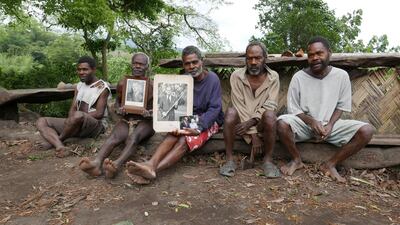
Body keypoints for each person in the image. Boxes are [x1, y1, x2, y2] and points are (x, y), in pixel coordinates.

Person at [277, 36, 374, 183]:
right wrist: (311, 122)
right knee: (282, 123)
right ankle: (296, 160)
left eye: (319, 53)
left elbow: (341, 106)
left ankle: (330, 164)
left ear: (329, 53)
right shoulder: (299, 77)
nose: (315, 58)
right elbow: (294, 109)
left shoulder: (341, 76)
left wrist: (330, 125)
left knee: (367, 131)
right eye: (310, 55)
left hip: (330, 127)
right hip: (304, 125)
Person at [126, 45, 224, 184]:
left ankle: (153, 170)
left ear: (201, 61)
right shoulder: (182, 79)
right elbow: (173, 104)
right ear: (183, 65)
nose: (191, 66)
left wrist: (200, 126)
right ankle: (150, 165)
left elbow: (215, 109)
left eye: (194, 62)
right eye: (187, 64)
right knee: (174, 133)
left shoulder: (212, 79)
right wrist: (167, 119)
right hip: (189, 118)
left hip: (208, 119)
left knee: (184, 140)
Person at [79, 52, 154, 178]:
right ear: (131, 65)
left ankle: (116, 164)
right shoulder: (123, 83)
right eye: (135, 63)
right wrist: (119, 109)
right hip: (127, 118)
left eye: (141, 64)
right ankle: (96, 164)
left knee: (134, 138)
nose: (137, 66)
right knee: (113, 137)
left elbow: (159, 109)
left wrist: (150, 113)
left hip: (146, 122)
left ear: (147, 67)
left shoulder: (153, 86)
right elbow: (118, 102)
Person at [219, 42, 281, 178]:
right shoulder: (236, 76)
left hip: (258, 123)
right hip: (241, 121)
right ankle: (229, 160)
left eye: (258, 58)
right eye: (249, 58)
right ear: (245, 59)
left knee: (270, 115)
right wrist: (252, 135)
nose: (253, 62)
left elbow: (270, 105)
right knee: (230, 112)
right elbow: (238, 105)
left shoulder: (273, 77)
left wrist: (252, 125)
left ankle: (268, 161)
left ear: (265, 58)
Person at [36, 56, 110, 157]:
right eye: (79, 69)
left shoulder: (102, 87)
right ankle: (60, 146)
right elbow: (73, 108)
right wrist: (71, 121)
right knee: (42, 121)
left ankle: (58, 140)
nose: (81, 72)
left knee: (78, 115)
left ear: (93, 70)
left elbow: (99, 113)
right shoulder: (79, 86)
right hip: (77, 122)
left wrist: (76, 118)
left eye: (85, 69)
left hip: (96, 125)